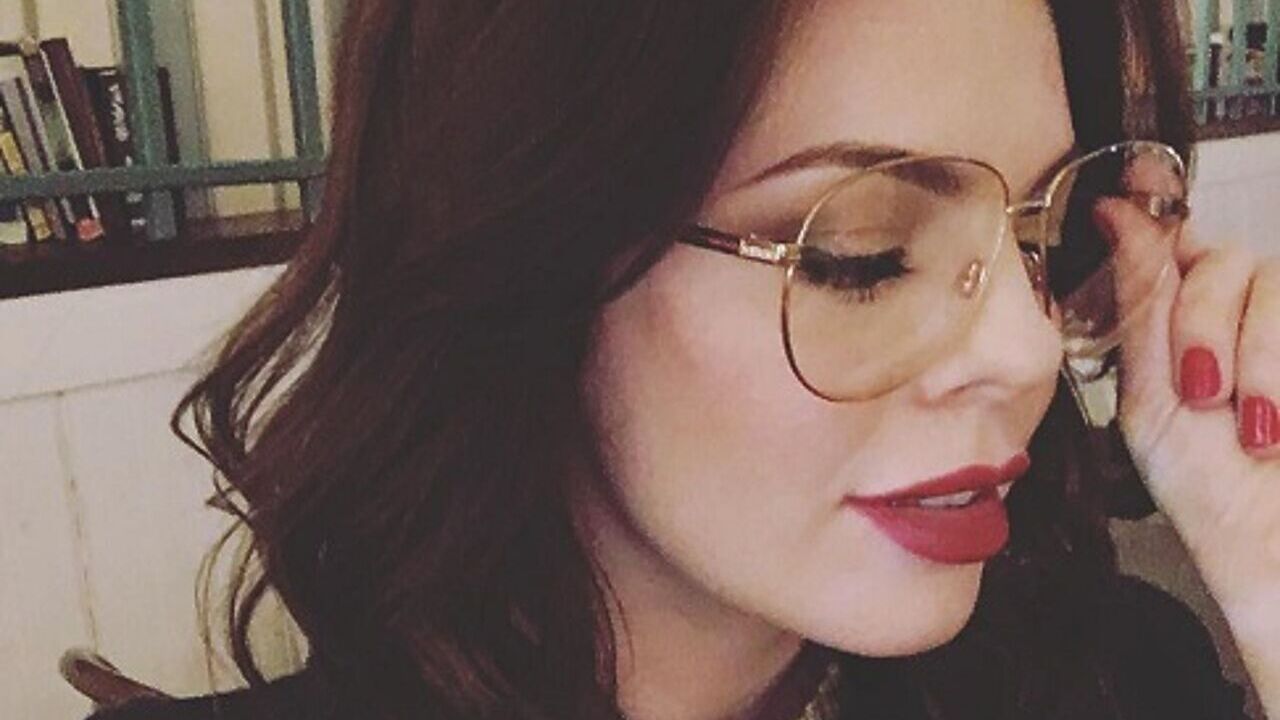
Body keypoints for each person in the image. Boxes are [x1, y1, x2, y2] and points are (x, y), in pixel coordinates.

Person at [90, 0, 1280, 718]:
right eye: (859, 257)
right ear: (531, 259)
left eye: (1038, 235)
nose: (1021, 351)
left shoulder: (1118, 679)